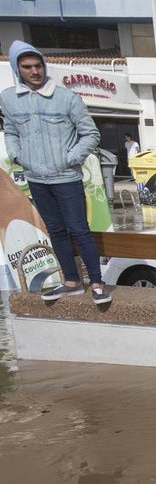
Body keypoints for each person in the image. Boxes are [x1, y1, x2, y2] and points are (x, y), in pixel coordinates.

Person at [0, 40, 110, 305]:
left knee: (79, 229)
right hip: (36, 178)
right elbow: (11, 132)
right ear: (18, 68)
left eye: (38, 65)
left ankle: (96, 281)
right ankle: (71, 281)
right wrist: (18, 157)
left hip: (67, 177)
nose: (35, 71)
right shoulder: (8, 99)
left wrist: (70, 159)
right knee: (56, 231)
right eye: (28, 67)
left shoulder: (66, 98)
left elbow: (91, 134)